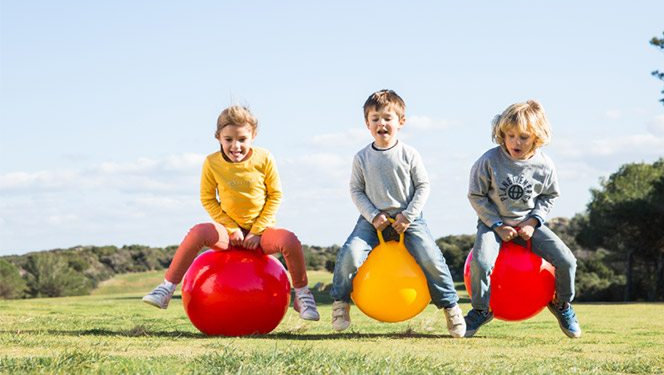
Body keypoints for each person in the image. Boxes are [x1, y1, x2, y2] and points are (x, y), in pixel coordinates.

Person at [142, 105, 320, 321]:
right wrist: (232, 228)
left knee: (289, 241)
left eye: (242, 139)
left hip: (261, 235)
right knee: (198, 232)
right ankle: (166, 288)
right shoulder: (211, 163)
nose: (235, 146)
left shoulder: (264, 158)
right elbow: (208, 198)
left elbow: (275, 195)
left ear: (253, 136)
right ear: (218, 137)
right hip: (229, 234)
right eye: (228, 140)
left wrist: (257, 231)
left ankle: (302, 295)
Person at [329, 89, 466, 338]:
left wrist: (408, 215)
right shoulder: (361, 157)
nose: (381, 123)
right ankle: (340, 303)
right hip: (372, 221)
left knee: (431, 258)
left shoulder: (409, 154)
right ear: (367, 123)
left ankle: (451, 306)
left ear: (400, 122)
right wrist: (373, 216)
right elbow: (356, 190)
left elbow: (424, 186)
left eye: (387, 118)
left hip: (410, 219)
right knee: (350, 252)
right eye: (375, 118)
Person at [464, 100, 581, 338]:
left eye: (524, 137)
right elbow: (476, 195)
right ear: (502, 134)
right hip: (492, 225)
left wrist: (533, 221)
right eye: (510, 135)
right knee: (481, 263)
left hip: (530, 225)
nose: (516, 142)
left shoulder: (545, 166)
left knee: (567, 260)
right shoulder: (488, 161)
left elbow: (549, 196)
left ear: (537, 137)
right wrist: (497, 225)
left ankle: (561, 305)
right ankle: (480, 310)